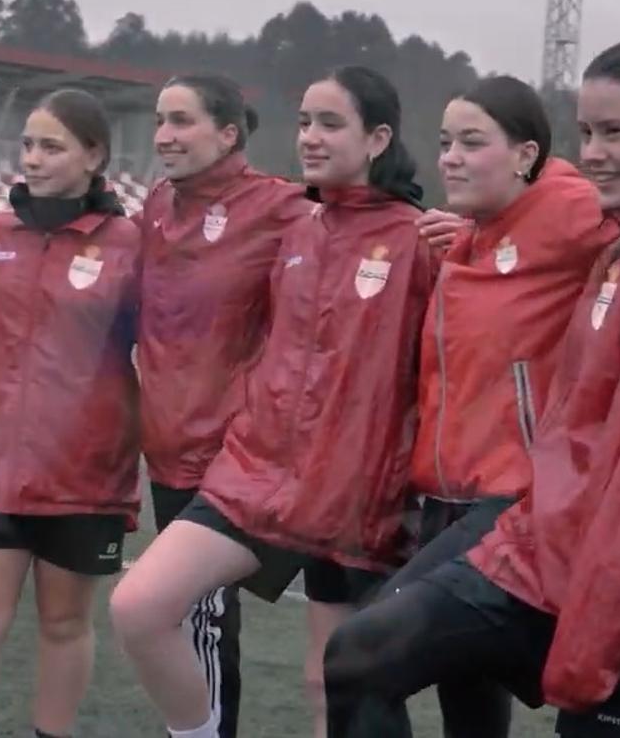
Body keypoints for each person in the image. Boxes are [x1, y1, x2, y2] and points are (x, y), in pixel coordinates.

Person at [323, 41, 620, 738]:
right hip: (559, 544)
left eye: (613, 132)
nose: (593, 152)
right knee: (362, 656)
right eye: (585, 132)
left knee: (370, 657)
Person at [111, 65, 435, 738]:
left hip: (355, 490)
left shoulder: (419, 239)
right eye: (307, 122)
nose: (311, 137)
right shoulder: (303, 225)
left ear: (378, 138)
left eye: (331, 123)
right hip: (257, 473)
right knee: (140, 605)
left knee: (331, 682)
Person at [0, 90, 140, 738]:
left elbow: (160, 350)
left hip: (84, 474)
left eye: (52, 146)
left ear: (93, 155)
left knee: (64, 623)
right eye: (28, 145)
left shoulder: (130, 243)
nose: (34, 159)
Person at [136, 74, 314, 737]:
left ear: (228, 132)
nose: (163, 136)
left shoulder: (280, 208)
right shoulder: (156, 205)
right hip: (165, 443)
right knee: (186, 619)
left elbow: (363, 228)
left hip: (232, 454)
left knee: (201, 618)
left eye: (181, 121)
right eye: (160, 120)